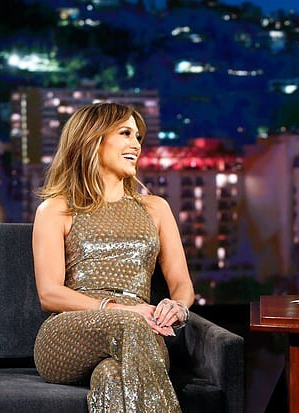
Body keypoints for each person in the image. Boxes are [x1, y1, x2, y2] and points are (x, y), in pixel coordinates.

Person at [32, 102, 194, 412]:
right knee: (131, 325)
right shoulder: (56, 209)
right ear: (93, 139)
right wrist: (124, 312)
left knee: (111, 376)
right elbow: (49, 294)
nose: (136, 145)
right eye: (125, 133)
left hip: (141, 331)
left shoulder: (156, 208)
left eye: (138, 137)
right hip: (69, 333)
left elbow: (181, 283)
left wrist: (178, 307)